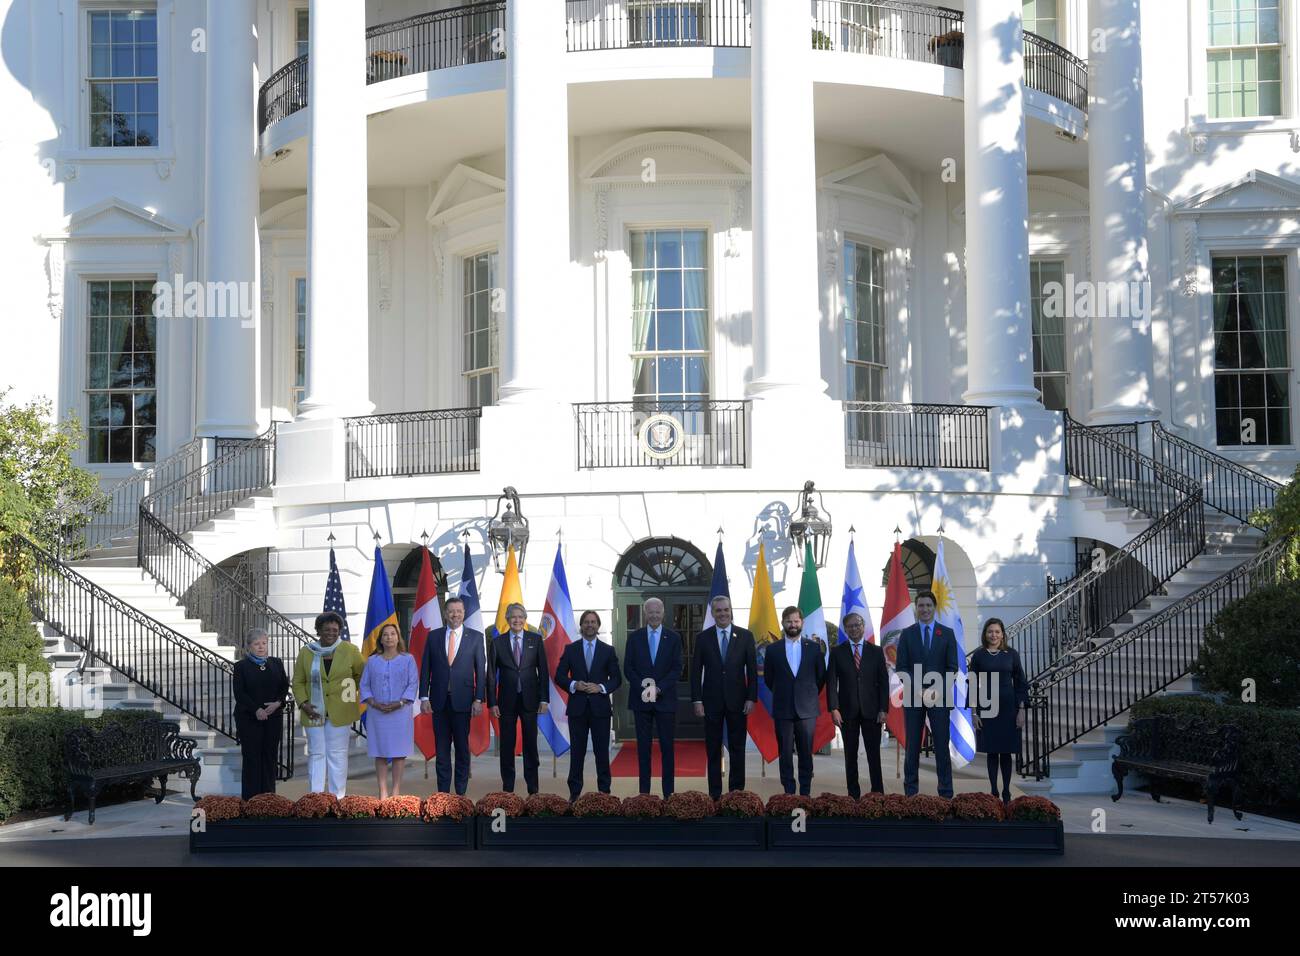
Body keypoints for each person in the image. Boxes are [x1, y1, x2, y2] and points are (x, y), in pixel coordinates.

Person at [893, 590, 960, 798]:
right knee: (912, 747)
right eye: (921, 605)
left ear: (935, 607)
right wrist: (919, 690)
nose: (925, 609)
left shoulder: (946, 633)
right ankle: (911, 793)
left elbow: (952, 668)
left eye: (928, 605)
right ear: (916, 608)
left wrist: (935, 690)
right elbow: (901, 667)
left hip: (939, 698)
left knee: (941, 746)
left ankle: (946, 793)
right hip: (914, 698)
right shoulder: (907, 633)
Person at [690, 595, 757, 799]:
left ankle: (736, 794)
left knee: (737, 749)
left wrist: (751, 697)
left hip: (739, 702)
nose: (722, 614)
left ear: (731, 610)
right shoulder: (703, 638)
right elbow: (695, 672)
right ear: (713, 613)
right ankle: (715, 794)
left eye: (726, 610)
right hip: (711, 702)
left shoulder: (745, 636)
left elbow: (753, 670)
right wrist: (697, 700)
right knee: (713, 749)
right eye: (718, 611)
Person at [292, 611, 365, 797]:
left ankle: (337, 797)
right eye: (326, 629)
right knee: (316, 753)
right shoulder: (307, 652)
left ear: (340, 630)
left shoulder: (350, 650)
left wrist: (346, 692)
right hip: (313, 711)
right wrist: (303, 703)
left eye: (335, 629)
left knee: (337, 754)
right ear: (318, 630)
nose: (331, 633)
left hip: (340, 711)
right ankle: (316, 797)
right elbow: (298, 681)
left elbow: (361, 675)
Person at [418, 596, 485, 795]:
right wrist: (424, 697)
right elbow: (425, 668)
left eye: (459, 611)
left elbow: (481, 670)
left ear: (464, 614)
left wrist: (478, 699)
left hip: (464, 702)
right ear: (445, 614)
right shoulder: (434, 636)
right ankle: (443, 795)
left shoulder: (475, 637)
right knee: (442, 750)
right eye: (451, 611)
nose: (455, 615)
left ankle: (461, 794)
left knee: (463, 750)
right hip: (439, 702)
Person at [556, 610, 622, 801]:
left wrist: (601, 687)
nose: (590, 625)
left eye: (593, 622)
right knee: (577, 753)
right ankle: (574, 793)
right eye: (586, 622)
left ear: (598, 625)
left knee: (602, 752)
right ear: (581, 626)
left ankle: (605, 793)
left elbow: (616, 679)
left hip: (600, 709)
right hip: (577, 709)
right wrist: (573, 685)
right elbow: (559, 676)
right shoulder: (571, 649)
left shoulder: (608, 650)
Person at [623, 596, 683, 797]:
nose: (654, 615)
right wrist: (645, 685)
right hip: (641, 701)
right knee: (643, 750)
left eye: (658, 611)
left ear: (663, 613)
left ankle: (669, 794)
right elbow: (628, 668)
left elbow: (677, 669)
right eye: (651, 611)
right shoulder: (635, 637)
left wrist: (658, 689)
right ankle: (644, 795)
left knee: (667, 749)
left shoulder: (673, 638)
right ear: (645, 613)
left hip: (665, 701)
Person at [487, 603, 550, 794]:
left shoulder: (536, 639)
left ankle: (533, 788)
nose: (517, 620)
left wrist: (544, 699)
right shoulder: (498, 642)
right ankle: (508, 790)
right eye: (513, 617)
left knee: (531, 745)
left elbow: (544, 671)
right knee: (507, 745)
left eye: (520, 617)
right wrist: (492, 702)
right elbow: (490, 674)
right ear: (507, 619)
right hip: (506, 701)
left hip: (531, 700)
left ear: (525, 619)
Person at [763, 606, 826, 796]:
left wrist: (805, 694)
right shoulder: (773, 650)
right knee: (785, 754)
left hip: (807, 710)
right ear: (783, 623)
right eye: (789, 621)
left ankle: (805, 792)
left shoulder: (814, 648)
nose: (793, 624)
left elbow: (820, 678)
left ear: (802, 623)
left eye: (796, 621)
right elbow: (768, 679)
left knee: (806, 754)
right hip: (783, 709)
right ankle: (789, 793)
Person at [826, 612, 890, 798]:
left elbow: (883, 682)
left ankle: (877, 794)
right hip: (847, 712)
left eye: (857, 625)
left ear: (863, 627)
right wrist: (834, 708)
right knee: (850, 757)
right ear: (845, 629)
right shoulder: (837, 652)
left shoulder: (876, 651)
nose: (854, 628)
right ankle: (853, 795)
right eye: (850, 626)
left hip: (873, 711)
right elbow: (831, 682)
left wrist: (883, 709)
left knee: (873, 756)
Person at [969, 617, 1028, 803]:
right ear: (985, 634)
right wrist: (974, 712)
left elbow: (1020, 682)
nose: (993, 635)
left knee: (1006, 751)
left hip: (1009, 708)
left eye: (996, 631)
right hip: (987, 707)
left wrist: (1021, 709)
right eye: (990, 631)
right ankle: (994, 790)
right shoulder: (979, 656)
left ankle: (1007, 791)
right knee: (992, 751)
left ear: (1002, 634)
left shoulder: (1012, 654)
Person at [360, 622, 419, 799]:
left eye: (393, 634)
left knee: (399, 753)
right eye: (385, 635)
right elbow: (364, 685)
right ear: (381, 639)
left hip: (400, 713)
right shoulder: (372, 661)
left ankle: (395, 791)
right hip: (377, 713)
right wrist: (374, 703)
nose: (389, 637)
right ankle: (383, 791)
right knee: (380, 752)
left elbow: (413, 683)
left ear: (398, 637)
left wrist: (399, 703)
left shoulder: (408, 659)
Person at [232, 628, 289, 800]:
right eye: (256, 644)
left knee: (270, 756)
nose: (261, 647)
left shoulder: (276, 663)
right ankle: (251, 800)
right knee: (252, 758)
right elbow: (240, 693)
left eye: (264, 643)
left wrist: (278, 703)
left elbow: (284, 687)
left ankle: (268, 799)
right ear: (249, 647)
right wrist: (256, 709)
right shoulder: (241, 667)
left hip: (273, 717)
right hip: (249, 718)